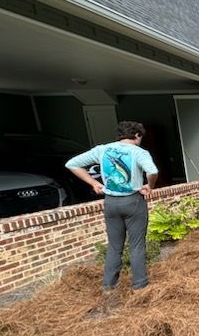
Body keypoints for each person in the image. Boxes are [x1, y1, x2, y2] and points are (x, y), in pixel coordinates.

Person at [66, 121, 158, 292]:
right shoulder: (139, 152)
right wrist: (149, 186)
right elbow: (152, 171)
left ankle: (108, 286)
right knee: (136, 245)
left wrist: (94, 183)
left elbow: (72, 164)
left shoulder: (102, 150)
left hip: (111, 203)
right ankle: (139, 285)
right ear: (137, 135)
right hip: (133, 201)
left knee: (114, 246)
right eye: (140, 137)